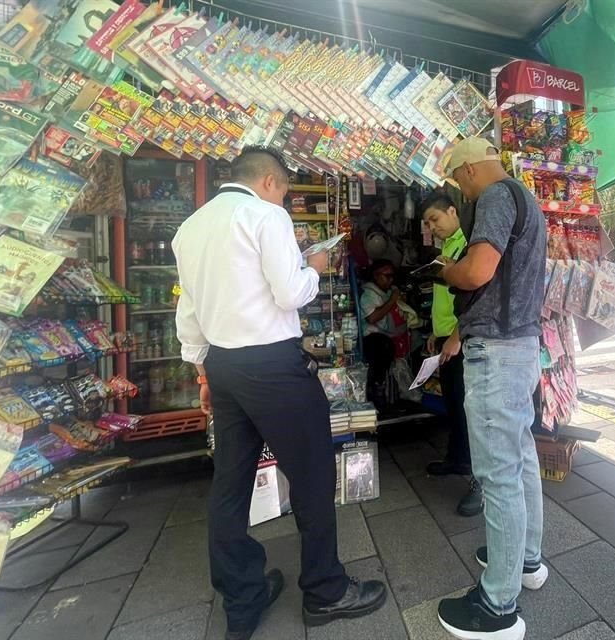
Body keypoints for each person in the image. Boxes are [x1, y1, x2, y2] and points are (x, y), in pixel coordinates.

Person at [173, 147, 386, 640]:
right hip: (272, 365)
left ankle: (242, 597)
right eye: (286, 190)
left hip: (223, 364)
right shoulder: (267, 216)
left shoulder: (191, 227)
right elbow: (291, 294)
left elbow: (189, 312)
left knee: (230, 483)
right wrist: (315, 266)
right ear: (270, 181)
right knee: (312, 474)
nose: (285, 199)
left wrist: (203, 374)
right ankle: (326, 590)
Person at [436, 137, 549, 640]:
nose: (461, 192)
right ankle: (526, 560)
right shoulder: (527, 198)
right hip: (521, 345)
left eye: (457, 182)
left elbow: (479, 270)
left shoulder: (496, 197)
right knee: (521, 459)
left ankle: (497, 605)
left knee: (499, 476)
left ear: (468, 171)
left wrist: (446, 271)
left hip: (496, 353)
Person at [421, 191, 483, 518]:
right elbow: (445, 300)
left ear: (452, 211)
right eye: (428, 223)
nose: (432, 227)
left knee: (471, 411)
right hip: (446, 336)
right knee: (455, 406)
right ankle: (458, 459)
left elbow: (475, 298)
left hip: (463, 340)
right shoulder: (446, 248)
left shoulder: (469, 244)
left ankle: (479, 480)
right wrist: (437, 332)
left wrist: (456, 337)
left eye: (435, 219)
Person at [359, 259, 410, 406]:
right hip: (373, 338)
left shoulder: (389, 291)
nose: (390, 279)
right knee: (383, 346)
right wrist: (392, 300)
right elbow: (372, 318)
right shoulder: (368, 294)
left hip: (391, 333)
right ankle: (377, 387)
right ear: (376, 275)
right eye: (387, 276)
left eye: (392, 276)